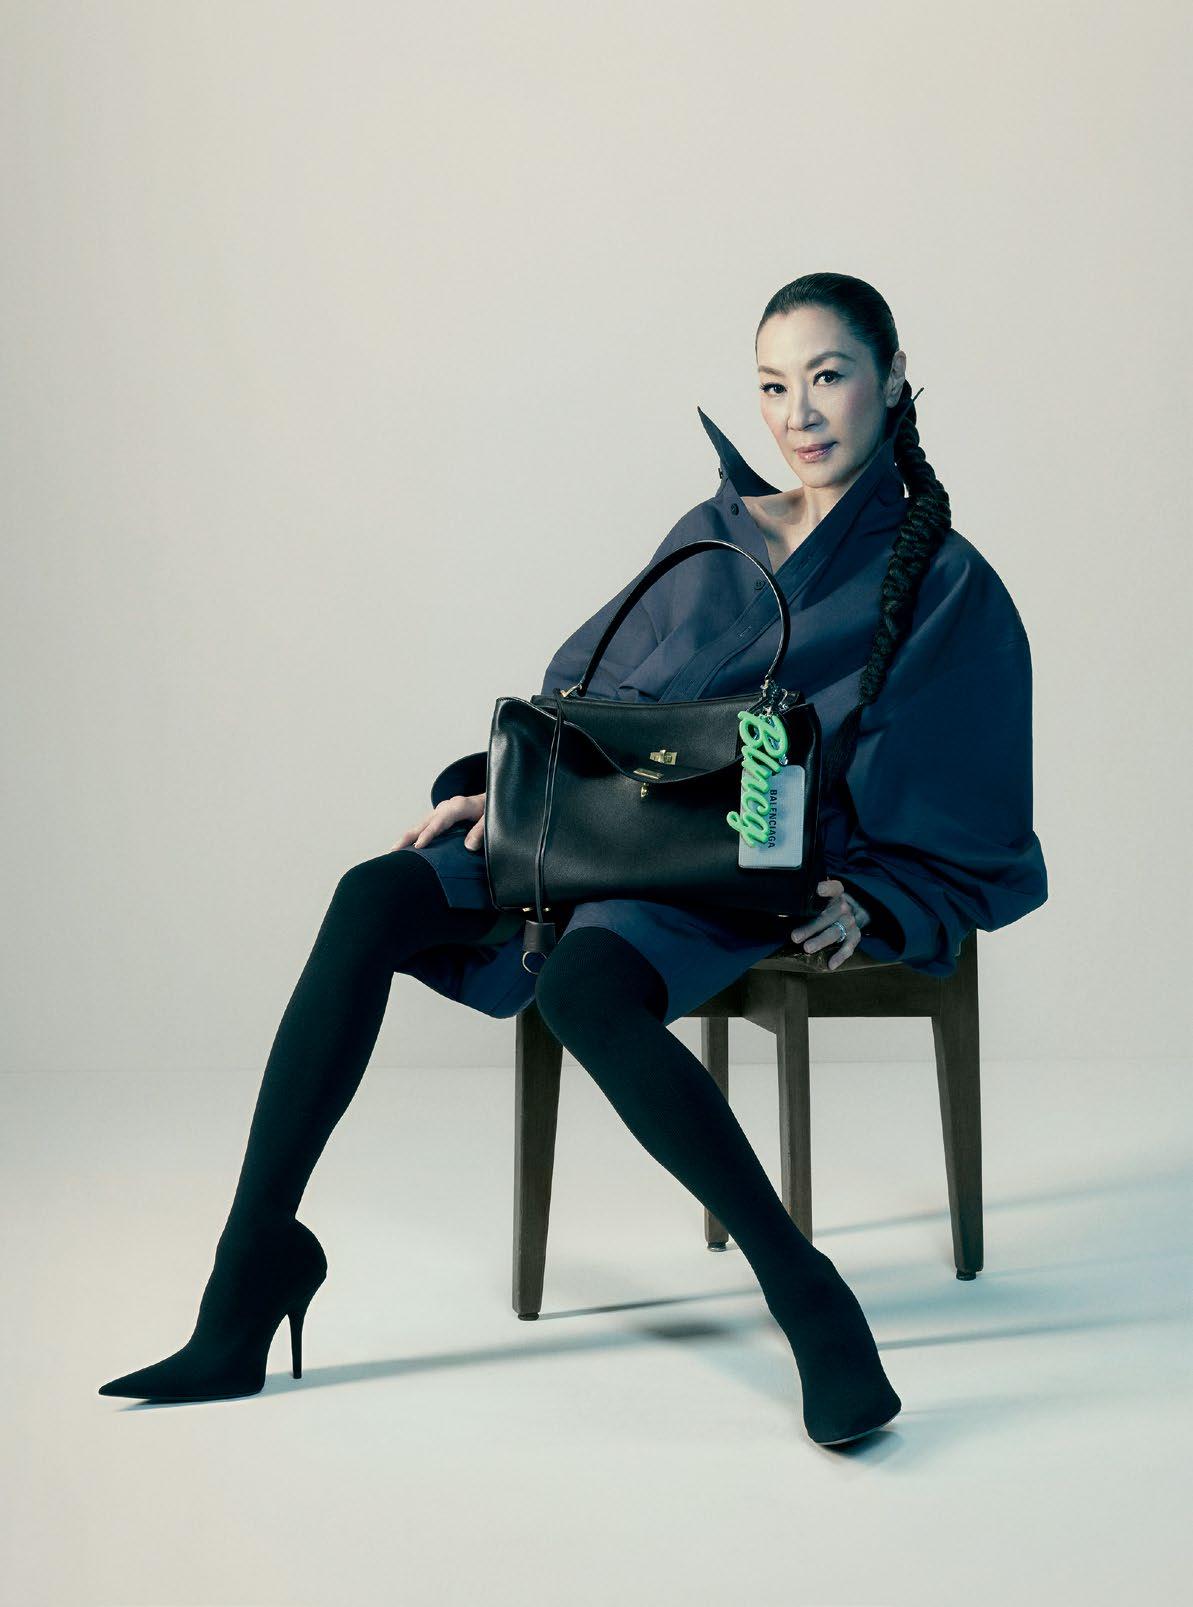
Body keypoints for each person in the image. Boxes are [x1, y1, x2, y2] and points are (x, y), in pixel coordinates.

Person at [98, 272, 1048, 1450]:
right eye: (770, 385)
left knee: (585, 987)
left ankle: (806, 1295)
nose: (796, 413)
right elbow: (591, 693)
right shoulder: (712, 529)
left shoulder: (946, 580)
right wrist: (501, 789)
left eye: (826, 375)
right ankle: (247, 1274)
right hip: (596, 829)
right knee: (373, 894)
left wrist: (875, 895)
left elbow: (965, 795)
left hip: (729, 867)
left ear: (891, 379)